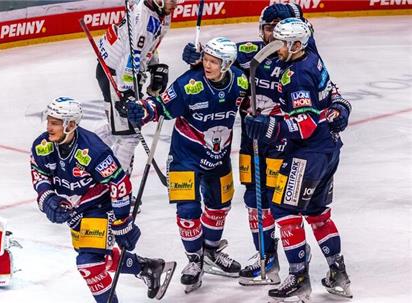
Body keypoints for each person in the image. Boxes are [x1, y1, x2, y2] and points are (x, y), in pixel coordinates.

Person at [182, 2, 352, 287]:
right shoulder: (249, 53)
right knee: (255, 202)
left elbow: (326, 89)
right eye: (268, 27)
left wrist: (340, 107)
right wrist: (198, 58)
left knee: (284, 204)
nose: (272, 34)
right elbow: (216, 63)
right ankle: (267, 258)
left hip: (289, 142)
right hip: (255, 141)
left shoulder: (301, 55)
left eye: (278, 29)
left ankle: (297, 264)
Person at [126, 37, 248, 293]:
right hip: (185, 158)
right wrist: (142, 111)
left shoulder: (241, 81)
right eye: (206, 59)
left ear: (226, 64)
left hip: (219, 157)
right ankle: (194, 260)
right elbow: (160, 107)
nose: (207, 65)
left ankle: (211, 252)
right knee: (188, 212)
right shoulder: (189, 85)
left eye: (214, 61)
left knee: (218, 208)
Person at [244, 18, 352, 301]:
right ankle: (337, 272)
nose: (276, 47)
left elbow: (305, 125)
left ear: (295, 45)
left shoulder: (297, 75)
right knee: (317, 213)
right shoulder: (311, 58)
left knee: (282, 209)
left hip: (308, 153)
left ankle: (298, 276)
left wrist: (269, 127)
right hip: (329, 149)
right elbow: (332, 97)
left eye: (281, 43)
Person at [30, 96, 175, 302]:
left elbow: (119, 183)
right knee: (98, 258)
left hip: (100, 206)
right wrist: (49, 199)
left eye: (55, 123)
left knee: (89, 263)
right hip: (76, 211)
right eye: (49, 121)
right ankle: (147, 267)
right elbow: (39, 174)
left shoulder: (92, 150)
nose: (49, 127)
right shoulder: (42, 145)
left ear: (70, 124)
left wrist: (122, 222)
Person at [94, 0, 179, 175]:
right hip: (116, 73)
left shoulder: (160, 13)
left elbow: (147, 45)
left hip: (125, 72)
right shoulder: (144, 20)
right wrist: (126, 93)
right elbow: (129, 56)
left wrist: (154, 65)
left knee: (118, 127)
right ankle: (117, 190)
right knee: (129, 134)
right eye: (171, 0)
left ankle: (84, 152)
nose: (175, 4)